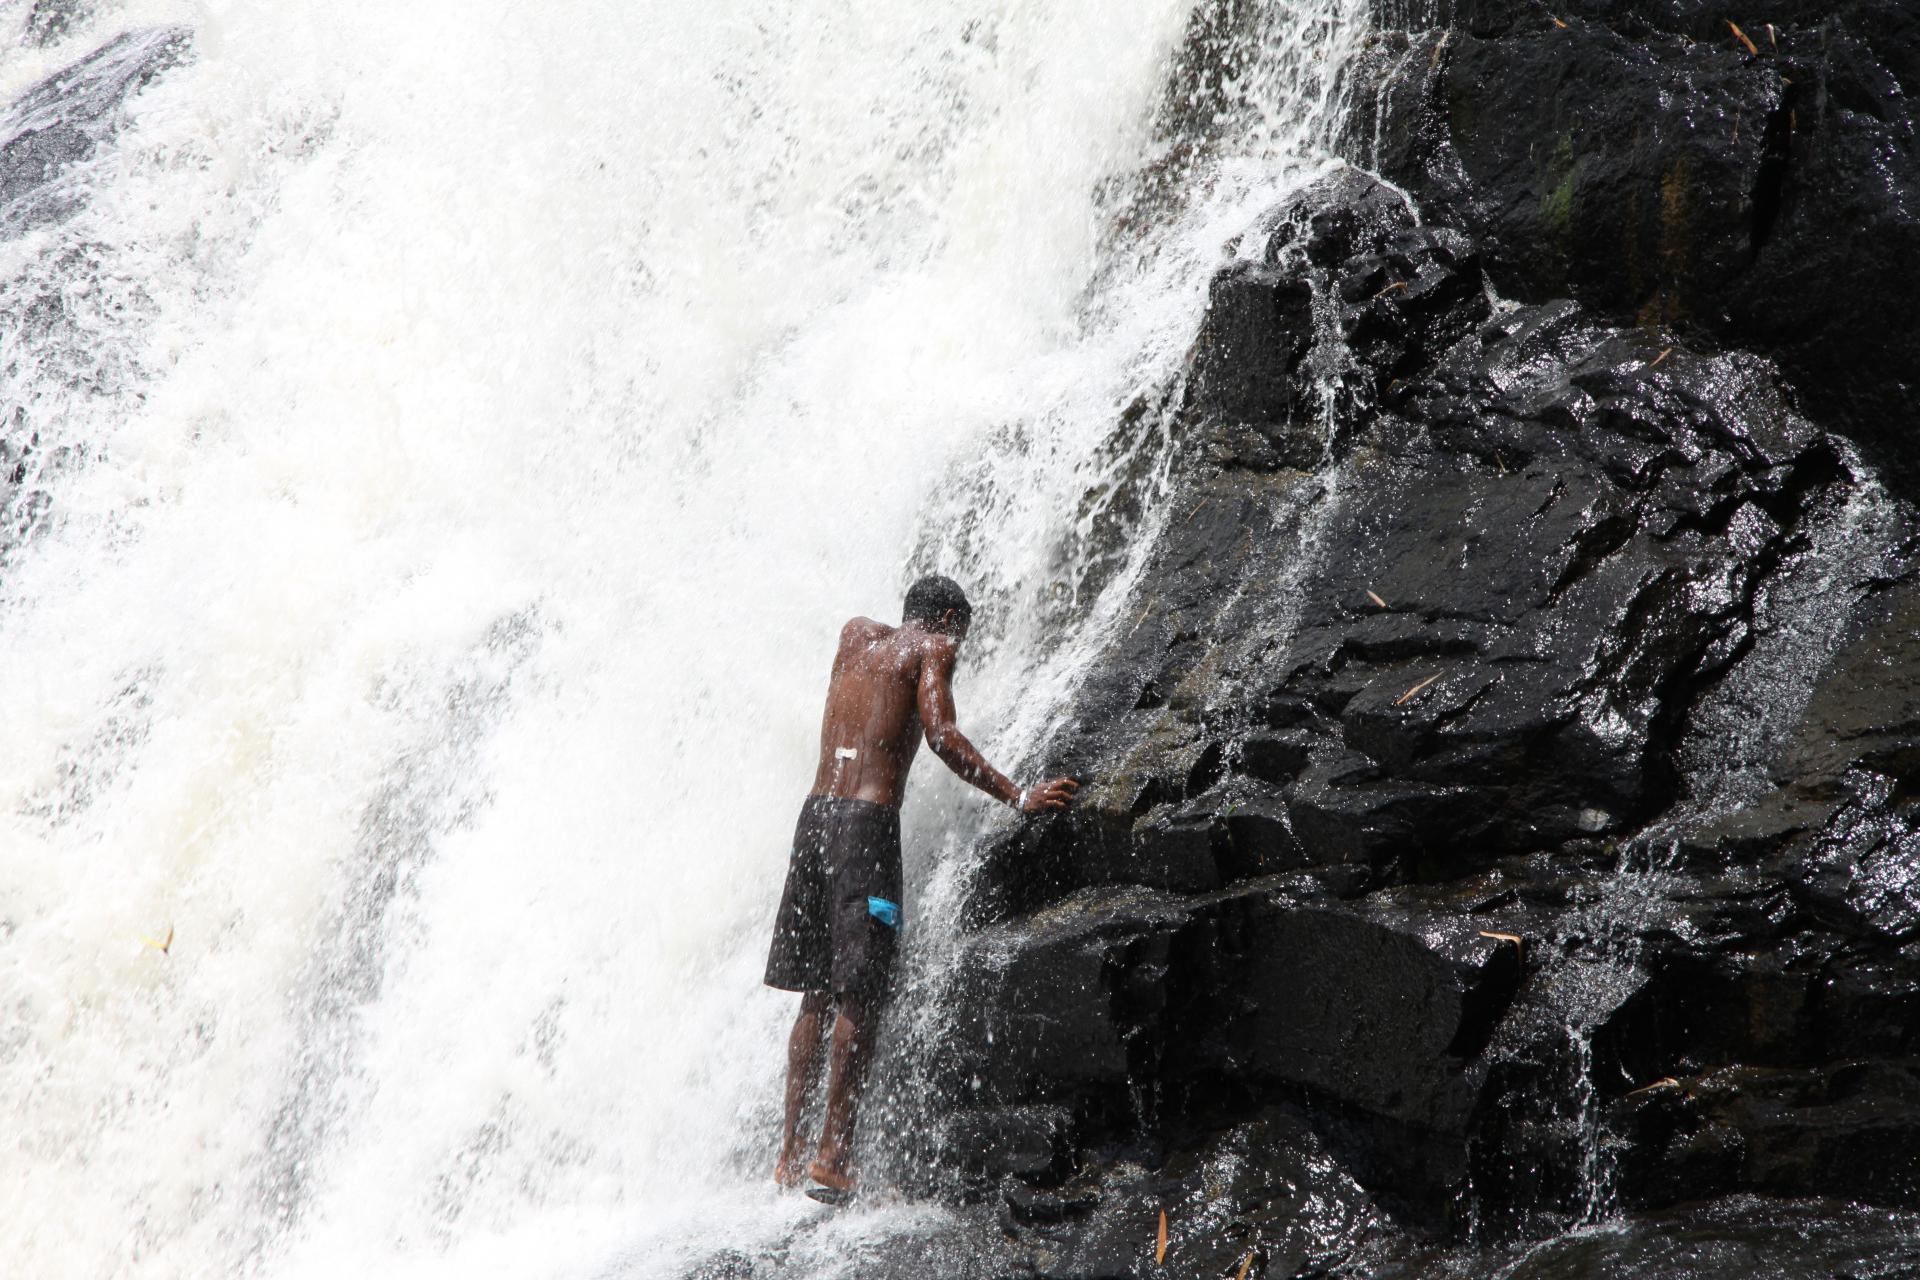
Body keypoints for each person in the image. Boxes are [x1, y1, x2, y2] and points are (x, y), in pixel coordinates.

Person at [764, 574, 1078, 1200]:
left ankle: (789, 1157)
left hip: (814, 820)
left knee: (816, 995)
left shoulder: (855, 637)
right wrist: (1018, 795)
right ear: (946, 621)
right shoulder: (933, 648)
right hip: (864, 831)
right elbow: (941, 734)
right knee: (862, 993)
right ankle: (834, 1159)